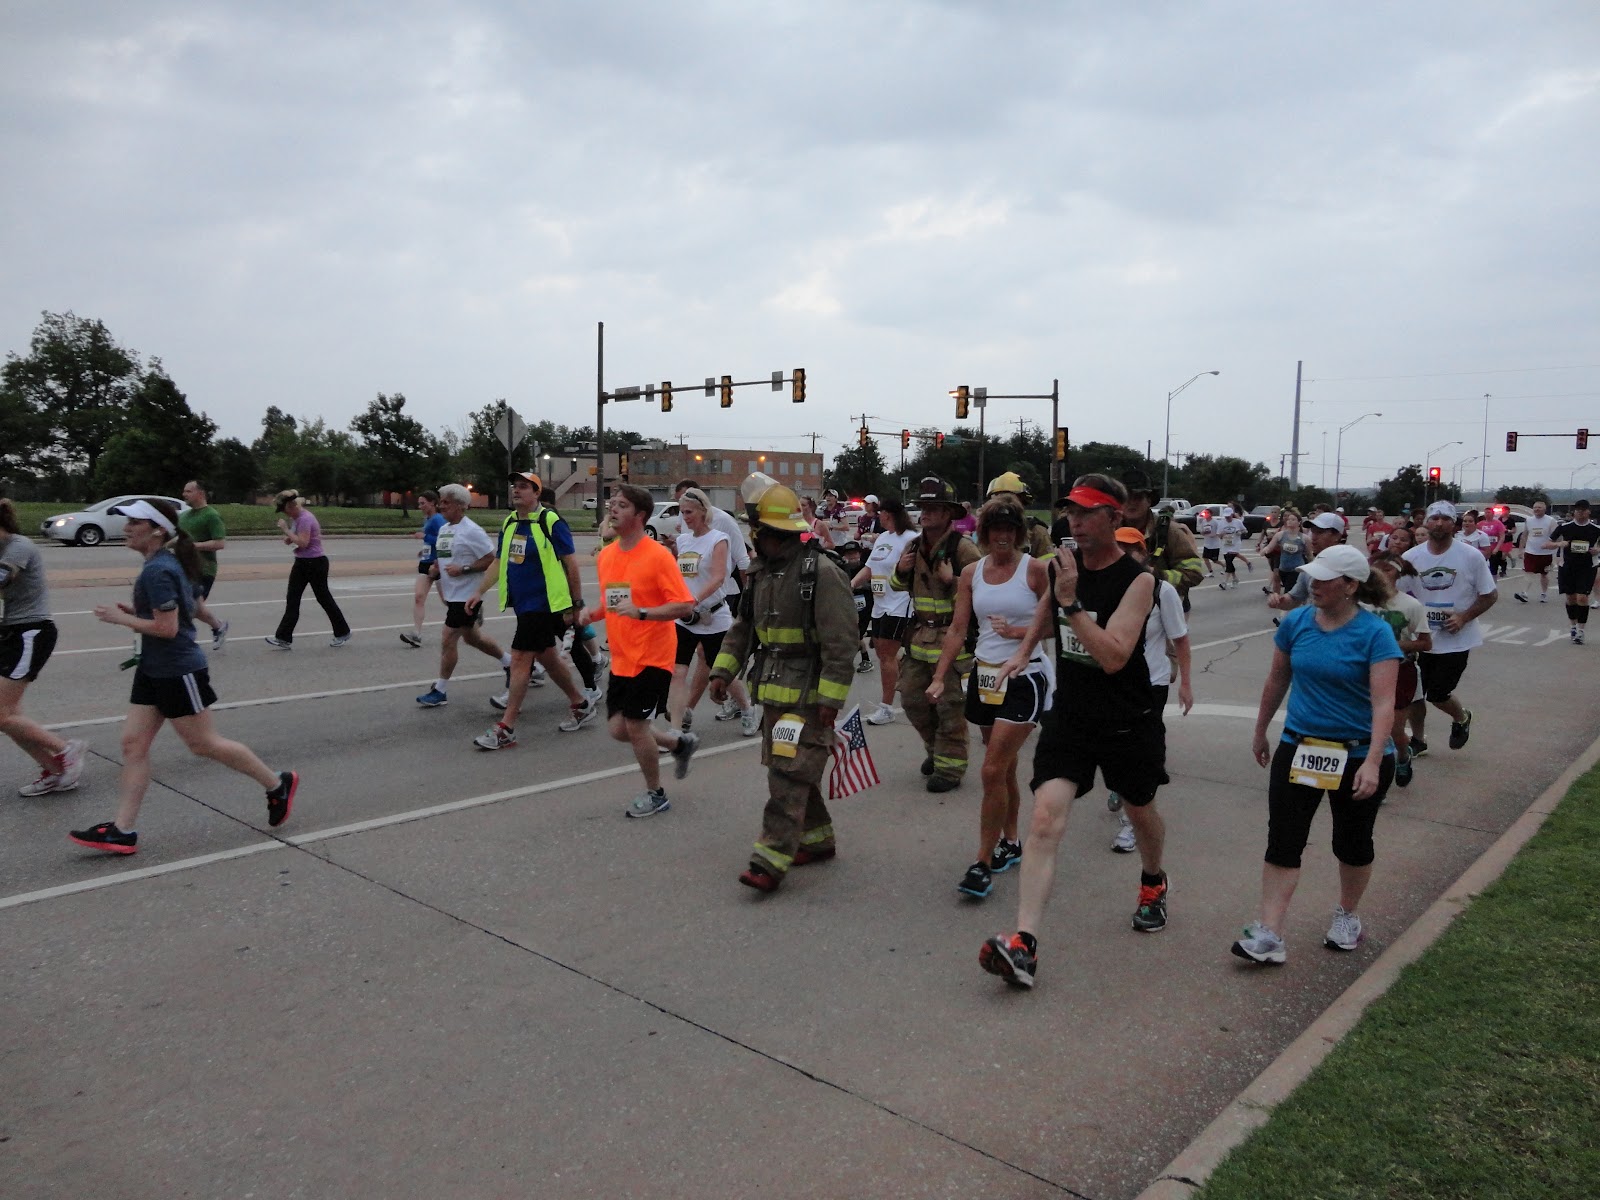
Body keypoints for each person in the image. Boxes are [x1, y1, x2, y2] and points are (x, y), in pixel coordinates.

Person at [978, 474, 1167, 990]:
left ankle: (1153, 881)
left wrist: (1073, 603)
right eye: (1070, 514)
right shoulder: (1064, 565)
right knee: (1044, 819)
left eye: (1086, 514)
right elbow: (1045, 614)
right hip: (1073, 717)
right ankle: (1024, 945)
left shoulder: (1139, 580)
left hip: (1127, 718)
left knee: (1139, 807)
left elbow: (1112, 655)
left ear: (1115, 517)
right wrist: (1020, 653)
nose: (1074, 522)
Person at [69, 500, 296, 854]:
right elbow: (187, 606)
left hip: (177, 669)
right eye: (126, 522)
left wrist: (122, 618)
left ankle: (276, 783)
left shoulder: (158, 570)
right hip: (153, 668)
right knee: (133, 745)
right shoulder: (164, 563)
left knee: (203, 744)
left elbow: (168, 628)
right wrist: (139, 611)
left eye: (134, 522)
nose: (127, 528)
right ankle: (122, 830)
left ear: (158, 530)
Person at [1232, 544, 1400, 964]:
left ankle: (1347, 916)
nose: (1312, 584)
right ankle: (1269, 933)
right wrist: (1260, 731)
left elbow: (1384, 704)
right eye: (1312, 576)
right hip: (1300, 747)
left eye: (1324, 578)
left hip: (1358, 752)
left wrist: (1374, 761)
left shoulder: (1375, 633)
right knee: (1284, 840)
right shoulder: (1297, 622)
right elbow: (1276, 680)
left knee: (1353, 842)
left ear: (1350, 585)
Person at [709, 474, 857, 892]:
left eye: (758, 533)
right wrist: (723, 671)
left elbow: (841, 642)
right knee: (791, 769)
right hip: (773, 691)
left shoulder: (823, 574)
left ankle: (770, 858)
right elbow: (743, 628)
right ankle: (818, 839)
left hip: (809, 696)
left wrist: (831, 698)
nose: (754, 541)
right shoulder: (760, 573)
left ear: (775, 533)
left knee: (787, 775)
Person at [929, 499, 1052, 898]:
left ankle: (981, 863)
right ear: (983, 534)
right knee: (1004, 769)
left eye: (1010, 529)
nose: (1002, 536)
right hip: (984, 677)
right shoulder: (971, 573)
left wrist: (1019, 636)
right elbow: (957, 628)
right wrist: (938, 676)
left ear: (1019, 533)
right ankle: (1012, 840)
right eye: (994, 529)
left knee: (990, 769)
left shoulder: (1034, 571)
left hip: (1024, 676)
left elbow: (1057, 621)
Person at [573, 485, 699, 817]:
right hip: (623, 656)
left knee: (636, 724)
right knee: (618, 729)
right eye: (611, 504)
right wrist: (593, 614)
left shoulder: (657, 555)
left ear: (640, 516)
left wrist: (644, 613)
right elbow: (615, 603)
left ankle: (656, 794)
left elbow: (684, 605)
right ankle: (678, 743)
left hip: (654, 655)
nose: (612, 510)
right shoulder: (608, 556)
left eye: (622, 505)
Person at [468, 473, 599, 750]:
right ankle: (580, 704)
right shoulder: (510, 522)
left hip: (545, 604)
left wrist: (575, 604)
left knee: (519, 659)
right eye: (514, 486)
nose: (516, 490)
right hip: (523, 603)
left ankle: (506, 727)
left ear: (536, 494)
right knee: (549, 658)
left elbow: (571, 565)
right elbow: (499, 561)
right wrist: (479, 592)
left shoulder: (550, 521)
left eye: (524, 487)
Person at [1108, 526, 1193, 853]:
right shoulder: (1107, 586)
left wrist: (1185, 683)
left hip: (1150, 684)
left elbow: (1181, 640)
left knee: (1141, 754)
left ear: (1144, 554)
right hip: (1112, 681)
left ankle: (1132, 823)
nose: (1125, 555)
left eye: (1132, 549)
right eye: (1119, 548)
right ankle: (1120, 785)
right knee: (1115, 746)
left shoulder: (1161, 591)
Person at [893, 477, 980, 792]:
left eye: (932, 508)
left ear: (948, 514)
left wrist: (953, 580)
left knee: (949, 707)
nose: (924, 513)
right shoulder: (913, 546)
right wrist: (901, 571)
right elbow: (898, 586)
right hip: (919, 636)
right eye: (923, 507)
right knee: (913, 699)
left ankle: (951, 770)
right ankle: (936, 752)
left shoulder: (964, 549)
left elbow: (983, 593)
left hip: (952, 638)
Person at [1, 499, 88, 797]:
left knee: (2, 715)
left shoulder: (18, 546)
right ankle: (57, 772)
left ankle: (67, 750)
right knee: (10, 719)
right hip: (12, 634)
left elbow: (2, 578)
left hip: (32, 633)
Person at [1399, 500, 1497, 752]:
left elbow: (1489, 595)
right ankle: (1418, 741)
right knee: (1415, 694)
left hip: (1456, 639)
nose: (1439, 523)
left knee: (1438, 693)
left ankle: (1461, 717)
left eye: (1445, 518)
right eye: (1434, 518)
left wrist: (1463, 617)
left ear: (1454, 524)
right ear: (1425, 522)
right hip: (1420, 637)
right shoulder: (1411, 557)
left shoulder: (1470, 556)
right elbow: (1395, 594)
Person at [665, 487, 758, 736]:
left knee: (722, 671)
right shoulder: (684, 541)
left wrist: (695, 600)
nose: (685, 517)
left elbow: (718, 577)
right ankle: (676, 727)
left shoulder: (718, 538)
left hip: (713, 616)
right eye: (682, 512)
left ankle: (747, 708)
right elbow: (683, 574)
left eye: (689, 511)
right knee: (678, 671)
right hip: (686, 619)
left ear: (703, 511)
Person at [414, 484, 514, 709]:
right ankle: (510, 663)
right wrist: (437, 565)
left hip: (467, 596)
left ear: (460, 505)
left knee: (448, 638)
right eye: (440, 501)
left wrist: (465, 568)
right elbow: (446, 554)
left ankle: (440, 690)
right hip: (452, 594)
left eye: (446, 502)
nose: (441, 506)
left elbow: (491, 558)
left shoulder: (472, 530)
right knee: (472, 638)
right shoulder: (446, 528)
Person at [1366, 553, 1431, 788]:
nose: (1382, 574)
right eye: (1377, 569)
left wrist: (1392, 645)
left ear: (1398, 574)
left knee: (1393, 730)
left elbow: (1426, 643)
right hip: (1363, 672)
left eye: (1388, 569)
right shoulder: (1359, 602)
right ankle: (1376, 782)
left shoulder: (1410, 605)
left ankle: (1403, 756)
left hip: (1399, 671)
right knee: (1366, 728)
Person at [854, 498, 918, 725]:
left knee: (887, 656)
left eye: (881, 512)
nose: (877, 515)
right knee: (882, 654)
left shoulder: (910, 539)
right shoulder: (883, 537)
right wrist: (850, 584)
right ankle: (910, 683)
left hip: (900, 603)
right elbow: (870, 568)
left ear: (888, 514)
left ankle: (886, 707)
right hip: (880, 603)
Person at [263, 489, 353, 649]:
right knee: (293, 598)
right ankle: (283, 637)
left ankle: (343, 632)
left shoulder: (305, 518)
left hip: (315, 563)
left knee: (323, 598)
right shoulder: (298, 518)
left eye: (285, 510)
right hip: (303, 562)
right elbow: (300, 538)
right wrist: (290, 538)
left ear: (291, 506)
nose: (286, 515)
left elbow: (304, 543)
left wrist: (286, 530)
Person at [1117, 470, 1202, 601]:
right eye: (1126, 497)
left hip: (1158, 608)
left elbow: (1193, 573)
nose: (1131, 503)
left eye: (1138, 497)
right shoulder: (1109, 529)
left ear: (1149, 500)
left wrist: (1154, 575)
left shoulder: (1170, 531)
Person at [178, 480, 229, 648]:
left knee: (188, 607)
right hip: (184, 568)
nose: (184, 495)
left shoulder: (211, 515)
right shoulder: (184, 516)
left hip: (204, 569)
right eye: (184, 491)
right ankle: (219, 626)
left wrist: (194, 546)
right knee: (195, 608)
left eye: (188, 491)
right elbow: (178, 539)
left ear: (200, 493)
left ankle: (180, 641)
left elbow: (219, 543)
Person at [1266, 513, 1348, 612]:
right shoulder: (1310, 568)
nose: (1314, 537)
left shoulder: (1350, 562)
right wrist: (1279, 601)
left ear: (1337, 535)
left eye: (1320, 532)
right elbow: (1294, 598)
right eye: (1313, 532)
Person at [1550, 499, 1599, 644]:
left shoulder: (1596, 529)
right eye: (1577, 510)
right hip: (1568, 567)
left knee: (1582, 598)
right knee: (1571, 598)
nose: (1580, 513)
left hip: (1587, 567)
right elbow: (1547, 543)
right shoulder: (1565, 527)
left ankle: (1581, 631)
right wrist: (1560, 543)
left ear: (1588, 511)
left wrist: (1597, 550)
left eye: (1583, 510)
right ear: (1574, 512)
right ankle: (1573, 626)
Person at [402, 489, 444, 647]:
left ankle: (472, 611)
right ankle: (416, 634)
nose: (420, 506)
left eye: (423, 503)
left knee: (447, 601)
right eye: (419, 503)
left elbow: (444, 539)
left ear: (433, 503)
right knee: (419, 597)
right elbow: (432, 541)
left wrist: (425, 537)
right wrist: (424, 548)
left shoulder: (438, 519)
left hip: (438, 564)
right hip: (426, 563)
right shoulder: (427, 518)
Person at [986, 472, 1053, 557]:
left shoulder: (1037, 532)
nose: (1003, 505)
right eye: (999, 499)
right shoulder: (985, 530)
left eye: (1009, 500)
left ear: (1022, 502)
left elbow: (1048, 564)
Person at [1515, 499, 1558, 604]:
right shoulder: (1529, 520)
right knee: (1528, 572)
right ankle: (1524, 593)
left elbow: (1556, 536)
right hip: (1530, 552)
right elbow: (1524, 535)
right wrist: (1521, 550)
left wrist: (1553, 548)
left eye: (1539, 507)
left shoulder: (1551, 521)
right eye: (1535, 507)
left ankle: (1544, 593)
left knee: (1544, 574)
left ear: (1544, 509)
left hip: (1545, 553)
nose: (1536, 509)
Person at [1261, 511, 1307, 596]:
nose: (1289, 521)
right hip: (1283, 568)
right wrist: (1265, 550)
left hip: (1297, 569)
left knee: (1288, 591)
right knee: (1288, 588)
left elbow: (1309, 555)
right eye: (1289, 519)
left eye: (1293, 519)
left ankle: (1289, 605)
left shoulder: (1304, 538)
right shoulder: (1280, 535)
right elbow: (1270, 546)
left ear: (1299, 522)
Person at [1216, 506, 1253, 589]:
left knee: (1229, 560)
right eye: (1226, 517)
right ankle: (1235, 578)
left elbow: (1245, 530)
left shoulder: (1237, 522)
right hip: (1225, 545)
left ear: (1232, 515)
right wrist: (1222, 534)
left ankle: (1224, 582)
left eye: (1229, 516)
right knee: (1228, 562)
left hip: (1235, 544)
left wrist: (1239, 532)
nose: (1227, 518)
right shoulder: (1221, 523)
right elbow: (1218, 534)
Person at [1478, 507, 1508, 578]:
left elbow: (1502, 537)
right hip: (1483, 550)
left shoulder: (1498, 523)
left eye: (1489, 512)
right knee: (1482, 569)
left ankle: (1493, 584)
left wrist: (1497, 548)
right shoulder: (1480, 524)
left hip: (1494, 550)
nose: (1487, 514)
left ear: (1493, 514)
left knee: (1493, 569)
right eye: (1486, 513)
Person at [1197, 507, 1223, 579]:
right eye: (1205, 513)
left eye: (1207, 513)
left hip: (1215, 544)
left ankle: (1225, 566)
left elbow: (1219, 532)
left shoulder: (1215, 522)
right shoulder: (1204, 522)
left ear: (1211, 514)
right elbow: (1201, 531)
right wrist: (1203, 533)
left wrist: (1214, 535)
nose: (1206, 514)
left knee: (1215, 560)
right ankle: (1210, 571)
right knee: (1205, 558)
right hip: (1207, 543)